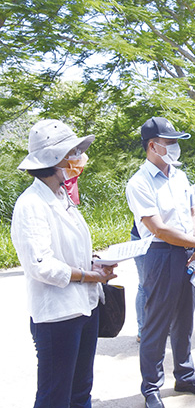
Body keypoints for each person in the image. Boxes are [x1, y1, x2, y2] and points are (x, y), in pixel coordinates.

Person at [11, 119, 117, 407]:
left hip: (85, 307)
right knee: (54, 396)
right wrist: (88, 276)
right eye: (73, 153)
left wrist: (94, 264)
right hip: (57, 316)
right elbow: (41, 265)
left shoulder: (62, 196)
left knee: (81, 392)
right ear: (54, 159)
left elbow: (70, 249)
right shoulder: (31, 204)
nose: (79, 159)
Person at [126, 116, 195, 408]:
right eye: (170, 142)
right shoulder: (139, 183)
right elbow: (158, 228)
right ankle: (151, 387)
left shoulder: (179, 175)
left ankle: (185, 376)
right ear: (153, 145)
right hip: (161, 254)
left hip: (188, 252)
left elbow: (193, 213)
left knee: (184, 318)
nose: (176, 147)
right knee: (157, 323)